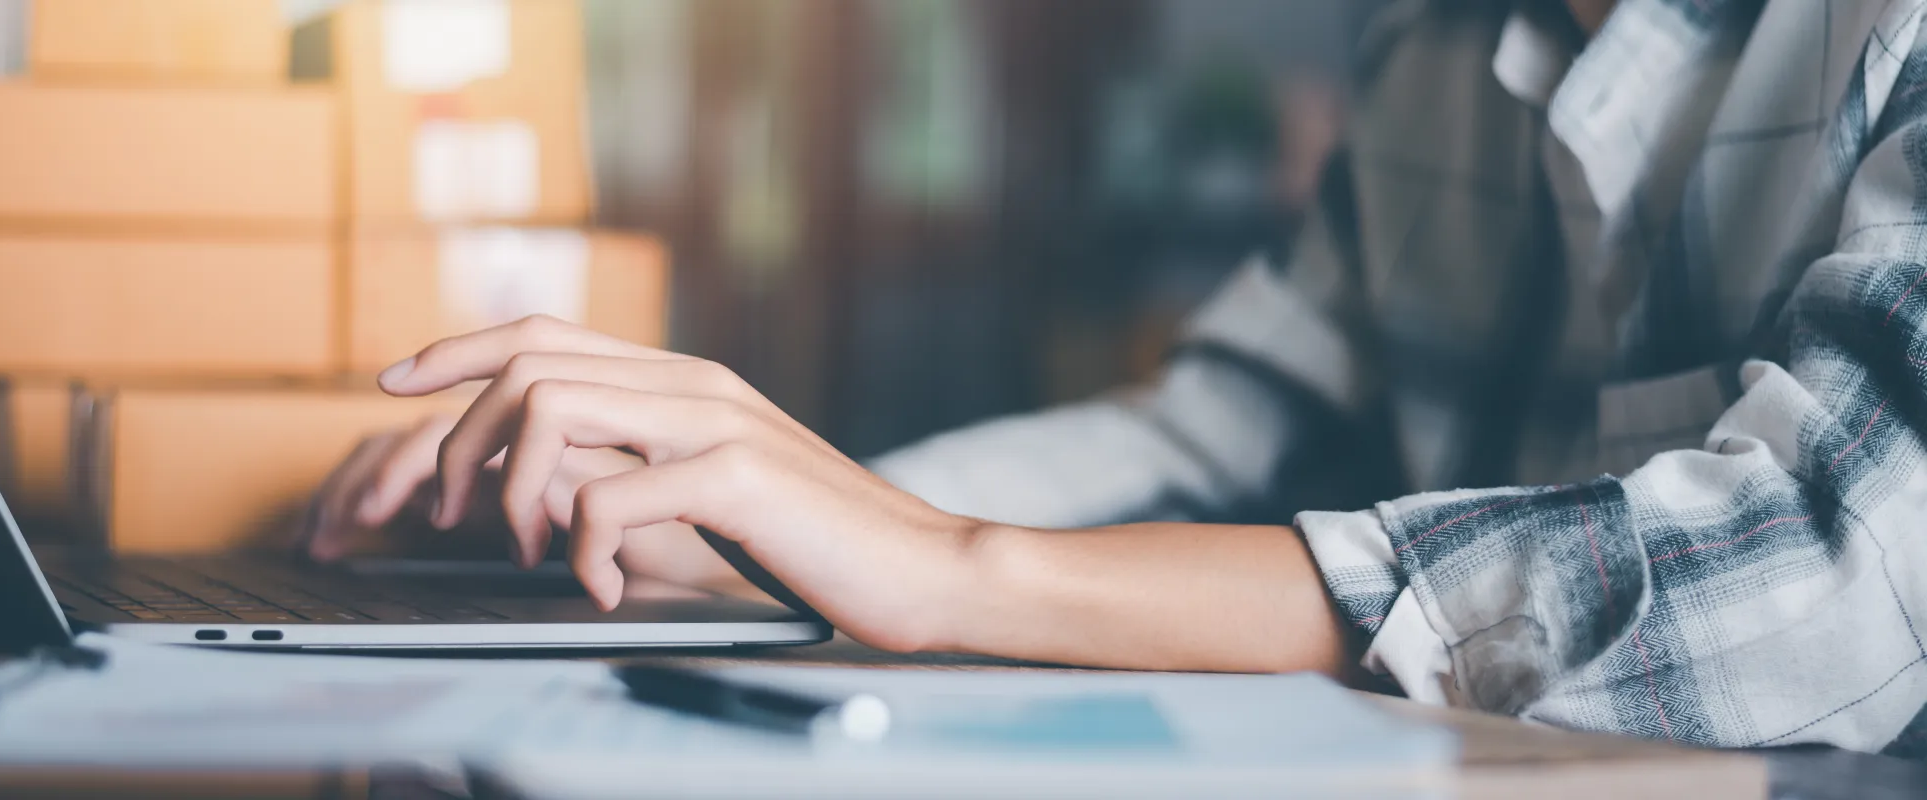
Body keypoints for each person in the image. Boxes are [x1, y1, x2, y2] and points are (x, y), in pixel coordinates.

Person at [304, 0, 1927, 756]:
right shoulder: (1434, 51)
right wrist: (753, 519)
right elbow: (1217, 438)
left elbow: (1834, 581)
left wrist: (953, 571)